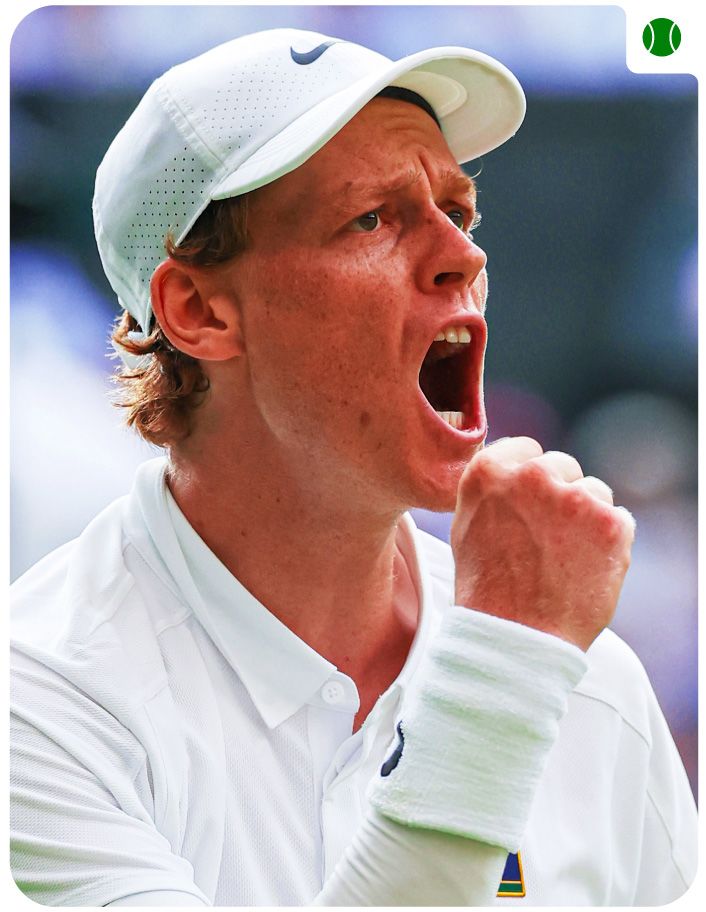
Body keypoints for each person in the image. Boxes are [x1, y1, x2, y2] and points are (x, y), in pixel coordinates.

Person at [10, 28, 696, 907]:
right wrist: (503, 673)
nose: (465, 255)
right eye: (371, 218)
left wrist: (514, 657)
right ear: (198, 310)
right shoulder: (38, 701)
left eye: (459, 210)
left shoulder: (592, 682)